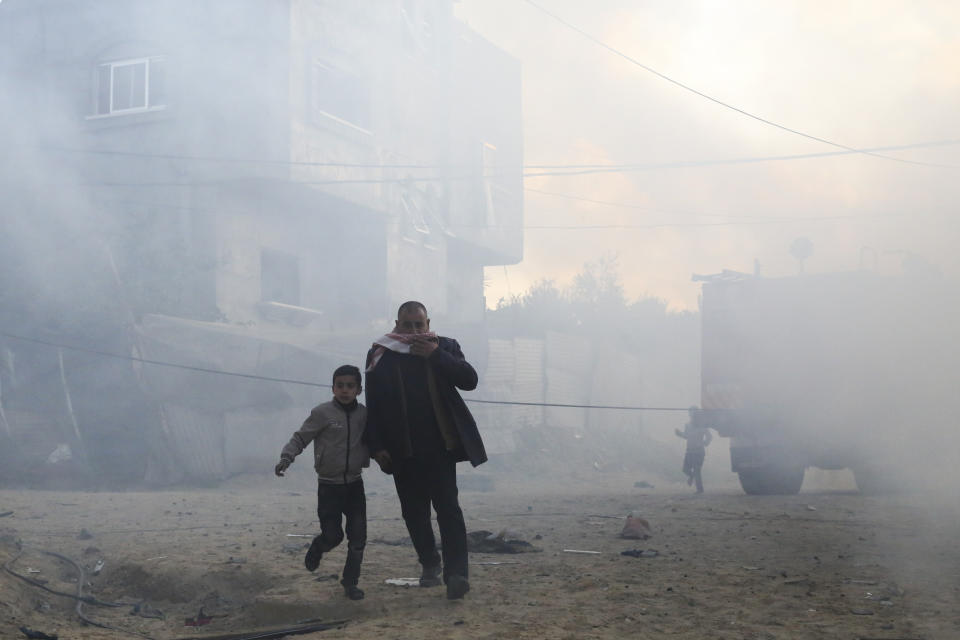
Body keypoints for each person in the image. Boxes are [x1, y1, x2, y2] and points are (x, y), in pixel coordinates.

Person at [364, 301, 486, 600]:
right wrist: (376, 446)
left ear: (428, 323)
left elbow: (469, 380)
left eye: (420, 325)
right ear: (397, 324)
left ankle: (457, 575)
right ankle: (430, 562)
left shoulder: (444, 346)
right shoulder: (382, 352)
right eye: (408, 325)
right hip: (401, 448)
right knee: (414, 513)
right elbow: (374, 402)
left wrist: (435, 355)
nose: (415, 331)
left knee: (449, 509)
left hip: (441, 446)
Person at [274, 364, 369, 600]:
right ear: (333, 388)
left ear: (359, 389)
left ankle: (350, 583)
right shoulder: (322, 413)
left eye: (350, 386)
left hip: (355, 484)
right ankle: (319, 546)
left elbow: (376, 440)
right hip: (329, 486)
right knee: (333, 535)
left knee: (358, 537)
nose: (345, 390)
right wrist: (287, 457)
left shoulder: (364, 415)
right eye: (340, 386)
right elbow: (301, 437)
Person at [675, 406, 712, 494]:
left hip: (699, 451)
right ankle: (691, 476)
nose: (692, 415)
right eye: (690, 413)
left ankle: (700, 489)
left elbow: (709, 436)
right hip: (689, 450)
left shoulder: (702, 425)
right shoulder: (687, 425)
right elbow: (686, 436)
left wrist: (705, 443)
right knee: (685, 469)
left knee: (697, 470)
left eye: (694, 413)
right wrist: (679, 434)